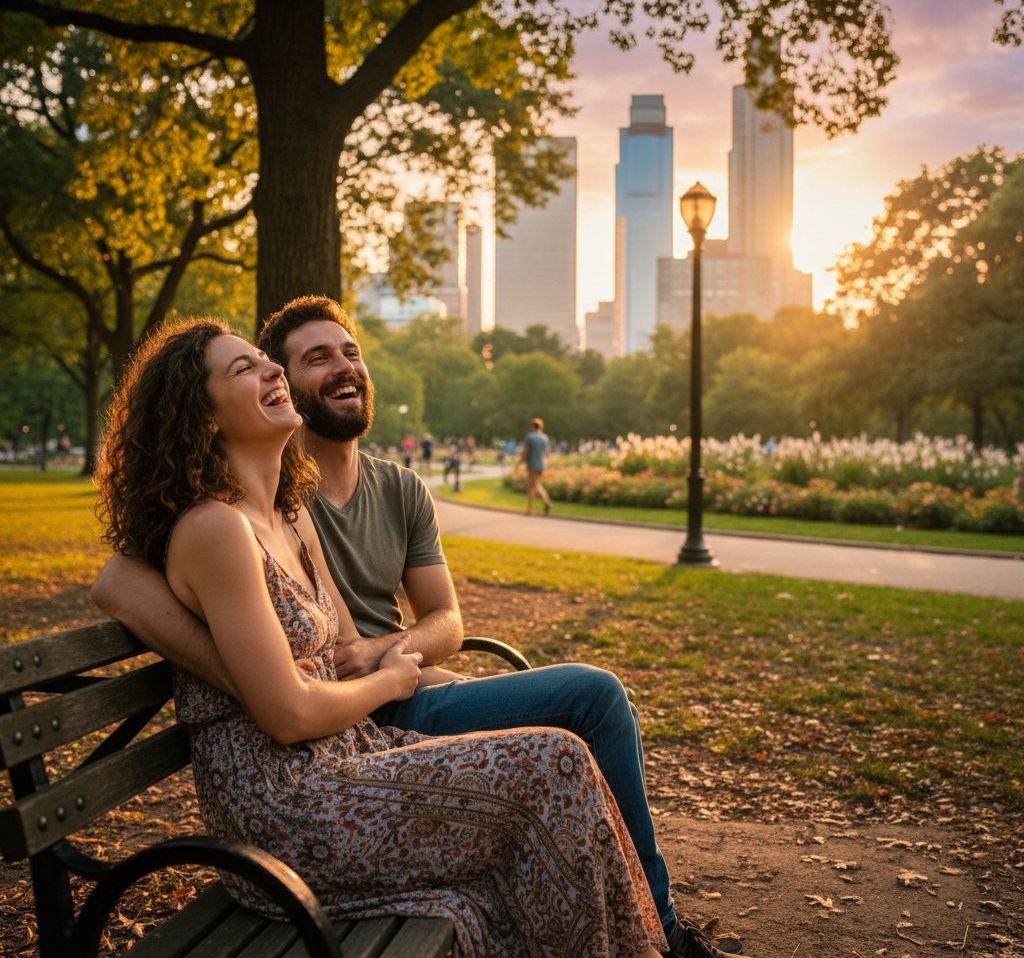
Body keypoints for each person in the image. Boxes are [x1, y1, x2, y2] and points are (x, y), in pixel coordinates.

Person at [92, 297, 747, 958]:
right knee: (554, 762)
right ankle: (648, 946)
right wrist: (391, 681)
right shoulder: (217, 528)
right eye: (247, 368)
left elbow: (358, 646)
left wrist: (396, 665)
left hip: (346, 756)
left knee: (561, 756)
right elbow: (285, 713)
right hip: (286, 808)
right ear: (203, 415)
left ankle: (644, 947)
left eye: (269, 363)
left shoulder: (290, 515)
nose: (273, 373)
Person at [520, 417, 553, 516]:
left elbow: (526, 451)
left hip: (532, 464)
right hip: (541, 464)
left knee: (532, 485)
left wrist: (521, 461)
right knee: (534, 485)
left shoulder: (530, 437)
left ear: (532, 426)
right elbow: (547, 453)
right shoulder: (545, 438)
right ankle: (531, 508)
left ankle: (545, 502)